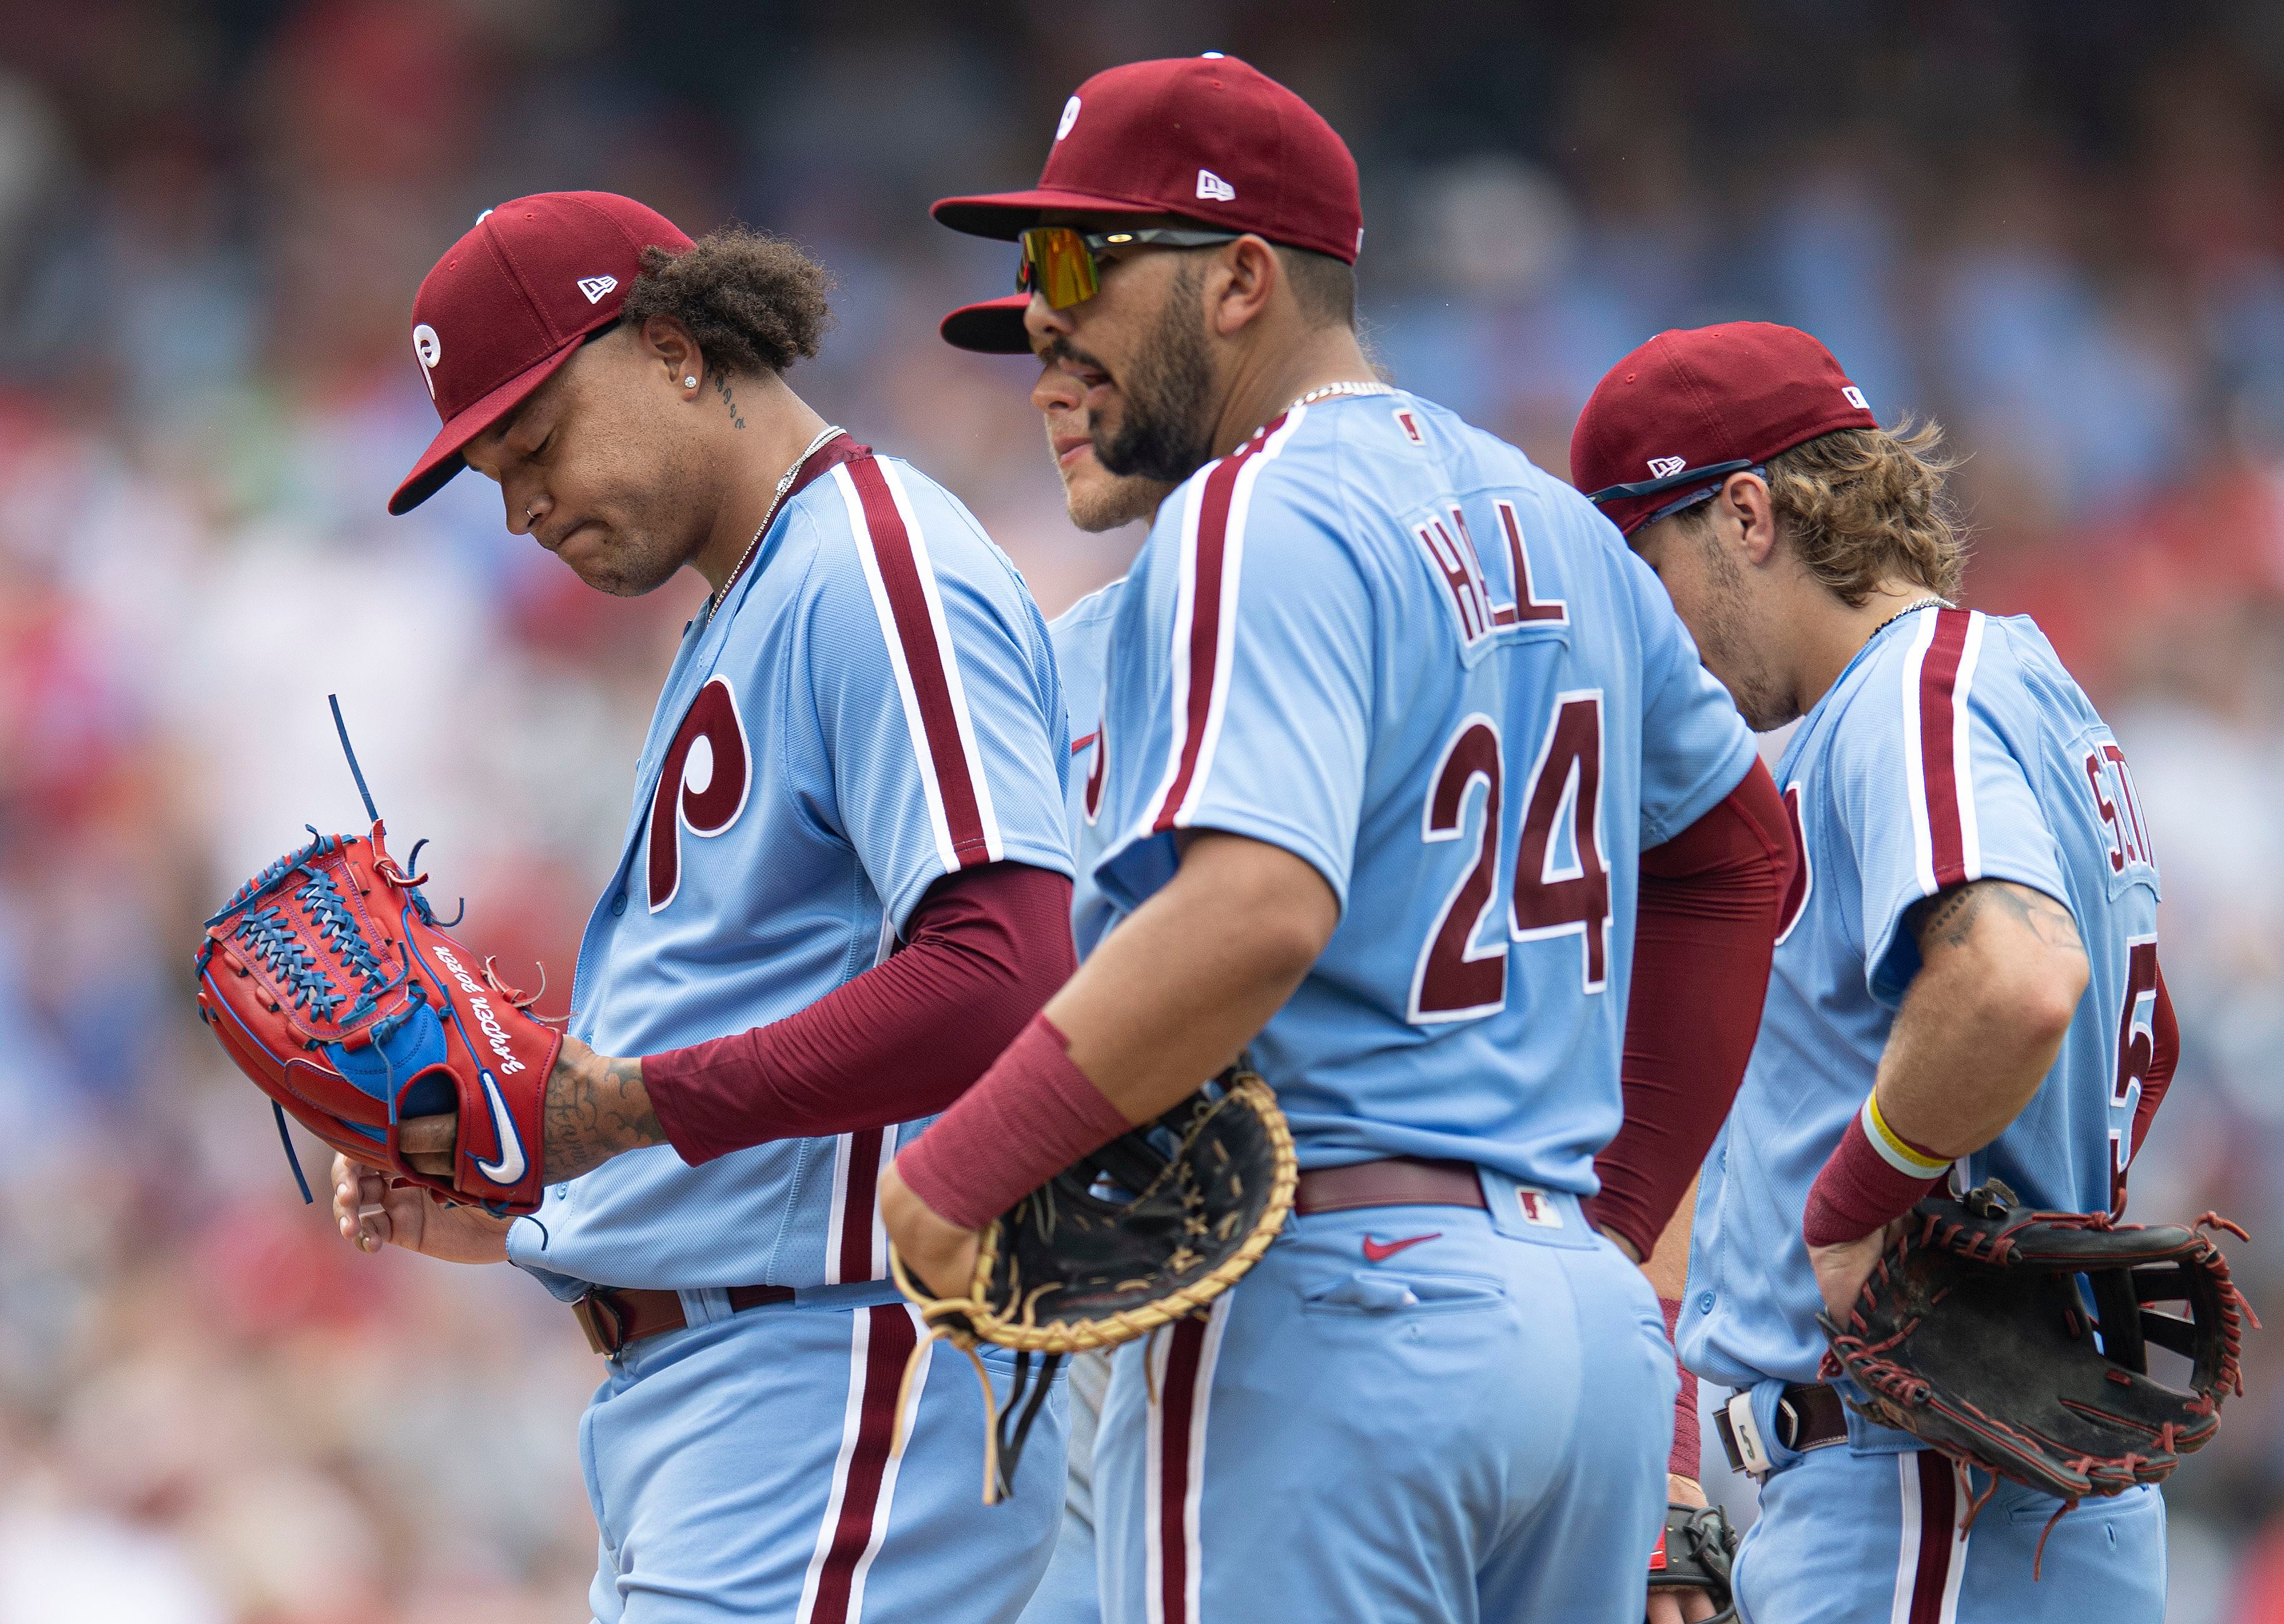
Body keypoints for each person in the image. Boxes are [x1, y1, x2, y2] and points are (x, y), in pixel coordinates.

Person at [886, 56, 1792, 1623]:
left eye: (1081, 266)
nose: (1044, 320)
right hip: (1570, 1331)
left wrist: (953, 1174)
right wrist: (1617, 1219)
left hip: (1332, 1311)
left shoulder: (1259, 509)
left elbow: (1254, 912)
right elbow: (1735, 862)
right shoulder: (1551, 521)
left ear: (1241, 277)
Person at [329, 191, 1079, 1624]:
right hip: (733, 1390)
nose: (523, 507)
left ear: (674, 348)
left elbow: (1009, 972)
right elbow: (784, 1047)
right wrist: (537, 1196)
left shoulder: (871, 565)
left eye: (536, 443)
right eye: (492, 474)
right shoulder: (753, 601)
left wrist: (614, 1111)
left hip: (842, 1377)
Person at [1571, 321, 2181, 1623]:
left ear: (1746, 513)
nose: (1636, 630)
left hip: (1923, 1480)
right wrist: (1683, 1448)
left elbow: (2014, 978)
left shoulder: (1916, 695)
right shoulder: (2009, 693)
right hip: (1952, 1470)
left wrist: (1851, 1208)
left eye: (1640, 568)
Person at [938, 289, 1174, 1624]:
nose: (1047, 394)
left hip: (1351, 1288)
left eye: (1083, 358)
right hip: (1087, 1324)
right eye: (1042, 359)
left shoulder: (1388, 607)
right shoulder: (1050, 660)